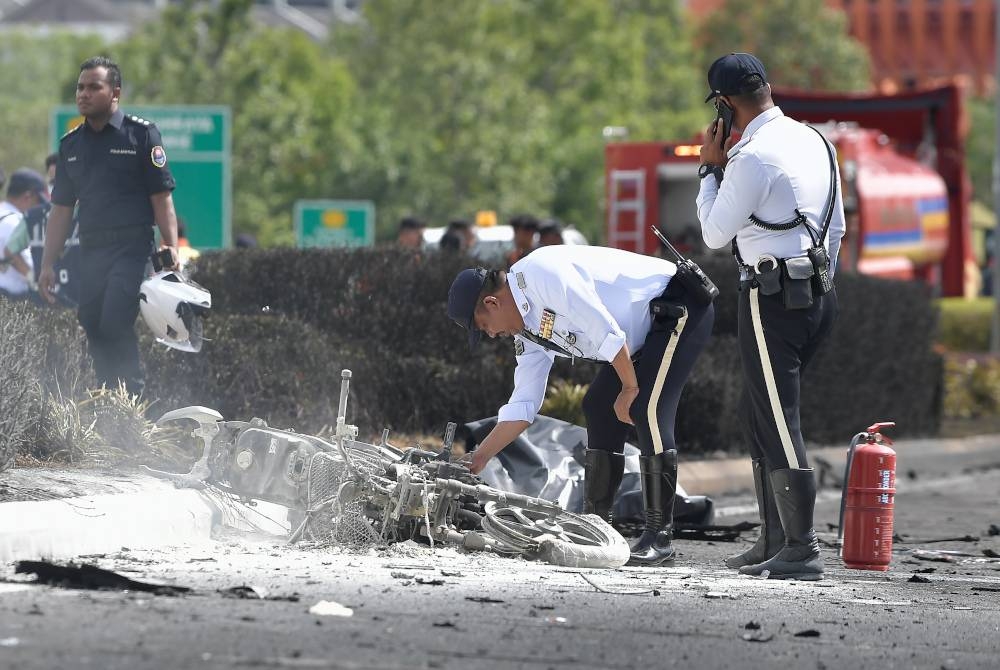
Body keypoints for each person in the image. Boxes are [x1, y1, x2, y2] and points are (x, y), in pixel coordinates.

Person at [447, 245, 714, 566]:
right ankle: (598, 527)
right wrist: (479, 458)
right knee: (599, 407)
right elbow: (524, 404)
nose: (491, 335)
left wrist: (630, 388)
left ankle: (659, 538)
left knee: (647, 408)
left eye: (483, 327)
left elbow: (606, 331)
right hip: (642, 335)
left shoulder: (543, 274)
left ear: (491, 302)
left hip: (677, 307)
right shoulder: (525, 330)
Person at [696, 53, 845, 580]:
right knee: (757, 411)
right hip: (817, 293)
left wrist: (710, 168)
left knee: (778, 417)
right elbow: (837, 231)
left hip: (772, 296)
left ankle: (800, 547)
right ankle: (774, 539)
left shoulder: (750, 157)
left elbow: (714, 234)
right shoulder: (816, 140)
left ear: (725, 105)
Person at [40, 56, 180, 397]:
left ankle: (131, 395)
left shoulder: (142, 135)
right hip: (91, 249)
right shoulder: (70, 145)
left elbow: (161, 197)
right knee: (90, 320)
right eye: (80, 87)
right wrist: (47, 264)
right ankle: (107, 395)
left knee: (115, 318)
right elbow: (60, 211)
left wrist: (170, 244)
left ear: (114, 92)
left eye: (94, 87)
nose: (84, 94)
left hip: (132, 249)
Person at [3, 154, 81, 307]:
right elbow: (10, 251)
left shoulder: (92, 217)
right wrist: (31, 276)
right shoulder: (34, 217)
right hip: (44, 308)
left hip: (82, 307)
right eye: (52, 182)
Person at [0, 169, 49, 300]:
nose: (39, 208)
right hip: (11, 298)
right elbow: (12, 254)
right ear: (28, 197)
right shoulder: (15, 222)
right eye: (39, 202)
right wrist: (33, 278)